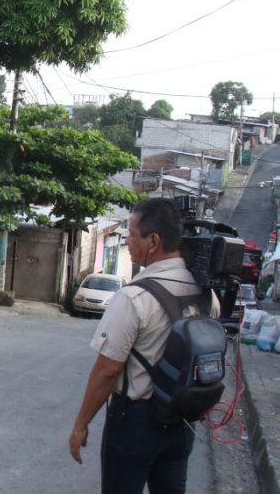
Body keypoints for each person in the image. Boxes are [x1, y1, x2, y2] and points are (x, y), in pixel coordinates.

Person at [67, 197, 219, 494]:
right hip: (181, 422)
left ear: (153, 241)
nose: (128, 241)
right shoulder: (206, 294)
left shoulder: (133, 297)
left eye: (132, 235)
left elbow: (108, 370)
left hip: (136, 423)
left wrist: (80, 424)